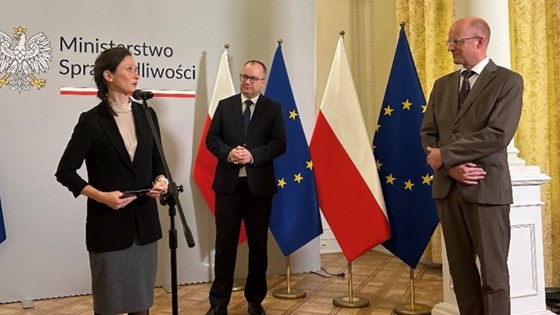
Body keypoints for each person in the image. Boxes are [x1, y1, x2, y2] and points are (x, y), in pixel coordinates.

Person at [420, 17, 523, 315]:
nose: (450, 47)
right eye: (449, 42)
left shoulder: (508, 81)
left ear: (480, 41)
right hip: (448, 190)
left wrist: (446, 155)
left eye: (456, 41)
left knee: (494, 276)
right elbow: (428, 134)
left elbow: (498, 134)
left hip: (486, 189)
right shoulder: (442, 86)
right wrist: (449, 167)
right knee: (461, 275)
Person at [55, 47, 168, 315]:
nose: (136, 74)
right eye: (129, 68)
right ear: (108, 75)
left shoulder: (147, 115)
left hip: (144, 227)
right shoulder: (91, 121)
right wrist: (102, 196)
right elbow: (65, 171)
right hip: (107, 227)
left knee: (141, 308)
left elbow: (158, 164)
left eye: (136, 68)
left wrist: (161, 181)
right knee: (107, 307)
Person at [205, 60, 287, 315]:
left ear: (263, 81)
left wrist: (252, 156)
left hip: (258, 189)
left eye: (253, 78)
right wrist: (230, 153)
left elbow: (279, 144)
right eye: (243, 76)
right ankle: (219, 303)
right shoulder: (225, 105)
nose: (247, 82)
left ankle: (255, 300)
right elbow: (212, 139)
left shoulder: (272, 108)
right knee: (225, 246)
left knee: (258, 247)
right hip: (228, 188)